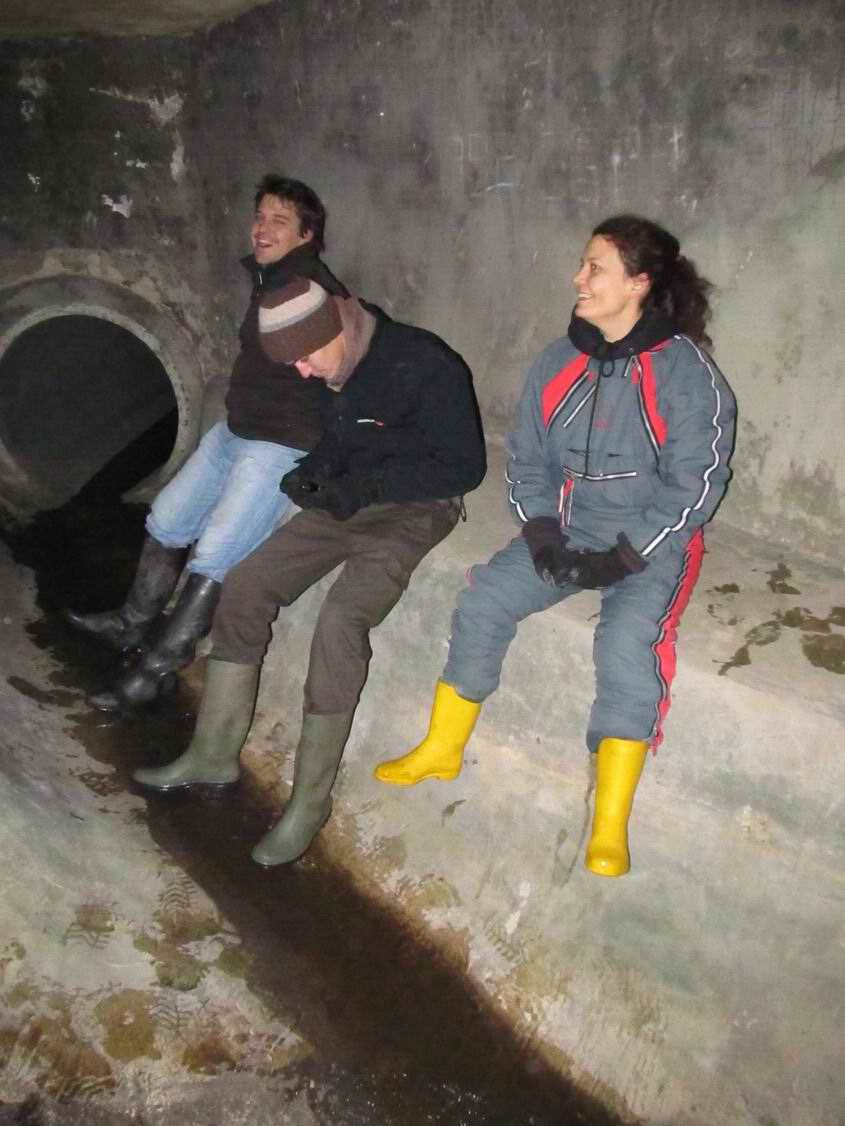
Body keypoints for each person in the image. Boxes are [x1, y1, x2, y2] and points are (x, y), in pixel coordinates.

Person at [374, 214, 737, 878]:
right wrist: (541, 534)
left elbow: (695, 485)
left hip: (651, 545)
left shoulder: (687, 375)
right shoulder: (558, 360)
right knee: (485, 598)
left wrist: (623, 559)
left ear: (638, 283)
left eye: (595, 267)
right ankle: (442, 747)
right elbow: (527, 459)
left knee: (625, 643)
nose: (578, 278)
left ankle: (609, 822)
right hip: (570, 530)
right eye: (582, 264)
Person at [130, 277, 487, 867]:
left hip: (418, 508)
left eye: (304, 357)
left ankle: (308, 803)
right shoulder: (329, 365)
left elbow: (463, 468)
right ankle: (213, 752)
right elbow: (339, 439)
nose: (301, 372)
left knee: (341, 620)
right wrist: (314, 473)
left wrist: (362, 486)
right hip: (348, 500)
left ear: (334, 329)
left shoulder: (424, 363)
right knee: (246, 583)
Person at [65, 175, 347, 711]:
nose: (262, 228)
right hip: (236, 431)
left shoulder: (310, 289)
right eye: (259, 217)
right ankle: (131, 624)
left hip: (279, 446)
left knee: (216, 553)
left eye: (279, 221)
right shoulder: (271, 279)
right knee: (167, 519)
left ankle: (156, 670)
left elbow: (341, 367)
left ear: (307, 235)